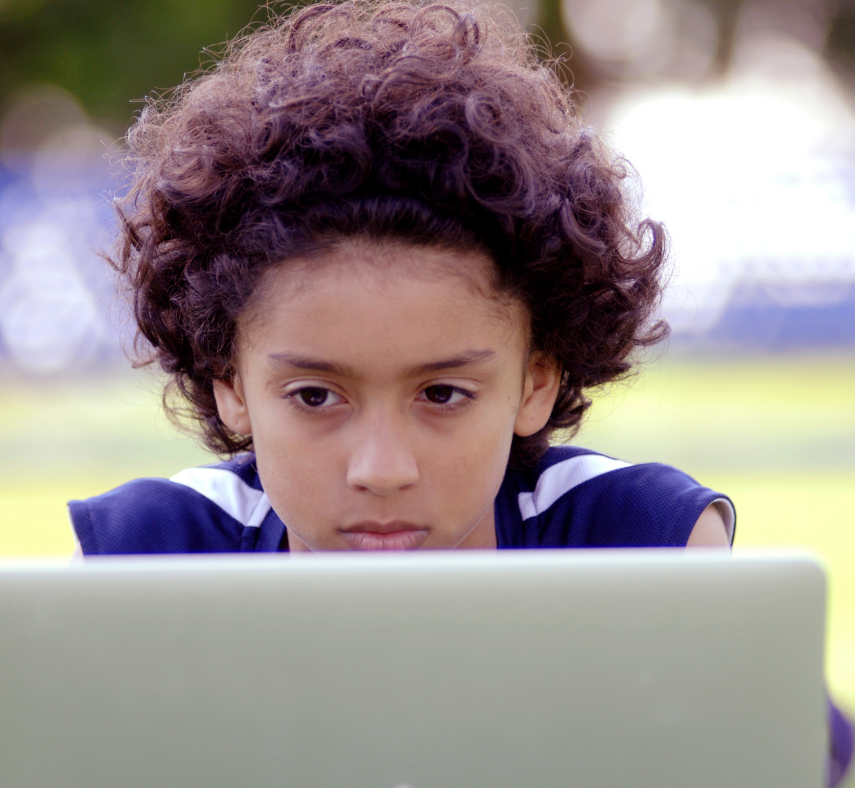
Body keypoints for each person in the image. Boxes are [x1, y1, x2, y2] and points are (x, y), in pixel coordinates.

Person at [66, 0, 852, 781]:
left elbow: (787, 762)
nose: (380, 467)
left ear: (535, 379)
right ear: (230, 383)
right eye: (314, 396)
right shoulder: (152, 558)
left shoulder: (636, 540)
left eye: (441, 394)